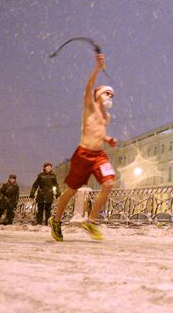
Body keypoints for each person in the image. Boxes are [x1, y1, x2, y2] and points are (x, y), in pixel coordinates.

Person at [50, 53, 117, 241]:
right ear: (98, 95)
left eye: (111, 94)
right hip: (82, 155)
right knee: (71, 190)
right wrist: (97, 68)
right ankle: (56, 221)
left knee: (109, 183)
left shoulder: (106, 117)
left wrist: (108, 138)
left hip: (99, 156)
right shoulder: (89, 106)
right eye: (107, 93)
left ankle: (91, 221)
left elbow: (99, 132)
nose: (110, 96)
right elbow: (88, 87)